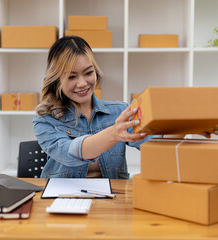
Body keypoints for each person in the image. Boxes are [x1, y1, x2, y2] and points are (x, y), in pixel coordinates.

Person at [33, 36, 155, 179]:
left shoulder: (119, 111)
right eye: (72, 77)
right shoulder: (45, 120)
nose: (82, 83)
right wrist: (113, 133)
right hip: (62, 198)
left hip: (113, 198)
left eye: (88, 73)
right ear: (56, 80)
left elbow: (155, 145)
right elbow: (69, 153)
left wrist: (177, 125)